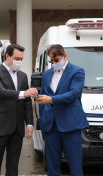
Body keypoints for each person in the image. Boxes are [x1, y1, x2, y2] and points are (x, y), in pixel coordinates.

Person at [0, 44, 38, 176]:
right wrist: (23, 93)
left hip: (17, 129)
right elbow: (0, 92)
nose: (19, 62)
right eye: (16, 58)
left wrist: (30, 123)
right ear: (7, 56)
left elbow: (26, 102)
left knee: (13, 167)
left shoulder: (23, 76)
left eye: (21, 59)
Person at [37, 44, 89, 176]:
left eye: (57, 60)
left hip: (70, 125)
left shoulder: (77, 71)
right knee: (52, 166)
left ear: (65, 56)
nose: (54, 63)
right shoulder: (46, 75)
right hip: (50, 125)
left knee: (75, 165)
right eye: (51, 61)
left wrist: (51, 99)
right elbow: (42, 98)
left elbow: (74, 94)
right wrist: (43, 117)